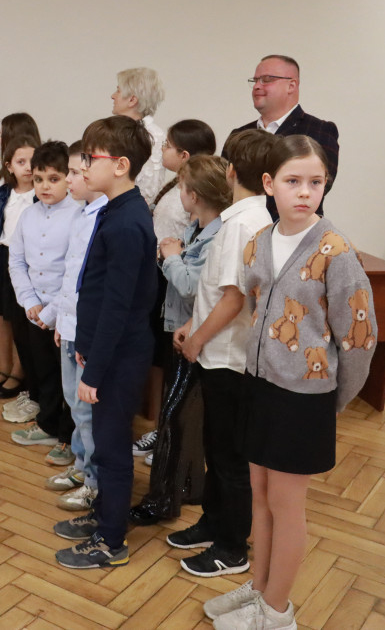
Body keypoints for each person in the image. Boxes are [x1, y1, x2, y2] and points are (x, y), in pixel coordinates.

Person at [205, 135, 375, 630]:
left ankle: (277, 611)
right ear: (268, 185)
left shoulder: (335, 249)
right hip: (261, 387)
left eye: (315, 182)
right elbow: (260, 309)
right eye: (292, 181)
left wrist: (328, 398)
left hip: (304, 398)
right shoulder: (260, 241)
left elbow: (360, 336)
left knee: (286, 504)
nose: (304, 192)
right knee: (259, 492)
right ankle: (259, 588)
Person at [168, 129, 277, 578]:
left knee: (229, 455)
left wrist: (196, 339)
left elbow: (234, 299)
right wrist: (195, 323)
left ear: (231, 170)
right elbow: (221, 291)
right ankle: (213, 522)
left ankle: (232, 546)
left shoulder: (239, 225)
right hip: (219, 348)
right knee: (216, 445)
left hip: (228, 358)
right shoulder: (247, 218)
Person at [53, 116, 156, 569]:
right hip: (104, 350)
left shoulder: (126, 221)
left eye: (90, 159)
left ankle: (111, 540)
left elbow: (121, 306)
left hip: (119, 358)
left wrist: (94, 369)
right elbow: (96, 291)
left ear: (120, 165)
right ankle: (104, 518)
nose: (83, 166)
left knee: (112, 449)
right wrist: (86, 345)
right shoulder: (114, 210)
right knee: (105, 444)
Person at [129, 155, 230, 526]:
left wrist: (171, 258)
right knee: (180, 419)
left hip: (193, 338)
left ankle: (163, 499)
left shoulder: (216, 235)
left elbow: (192, 288)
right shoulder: (198, 228)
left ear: (195, 194)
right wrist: (170, 255)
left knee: (174, 420)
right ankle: (188, 487)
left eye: (183, 188)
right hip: (180, 327)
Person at [139, 119, 218, 462]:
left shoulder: (193, 208)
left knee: (179, 377)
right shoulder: (174, 188)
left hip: (175, 287)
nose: (161, 149)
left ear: (184, 155)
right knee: (167, 367)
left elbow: (190, 278)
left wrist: (171, 256)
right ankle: (163, 429)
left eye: (167, 145)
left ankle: (171, 439)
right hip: (166, 280)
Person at [45, 141, 107, 512]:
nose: (70, 179)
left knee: (86, 410)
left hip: (85, 331)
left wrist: (76, 326)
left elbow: (93, 284)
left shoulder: (103, 216)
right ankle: (82, 466)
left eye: (74, 172)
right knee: (73, 403)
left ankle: (94, 480)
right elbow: (72, 277)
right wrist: (63, 320)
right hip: (70, 325)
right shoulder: (81, 214)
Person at [7, 141, 78, 466]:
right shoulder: (28, 214)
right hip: (34, 309)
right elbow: (17, 261)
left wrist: (50, 311)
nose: (45, 186)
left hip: (63, 312)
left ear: (68, 179)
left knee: (68, 381)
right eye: (38, 179)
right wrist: (29, 301)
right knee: (44, 372)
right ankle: (48, 424)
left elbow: (73, 271)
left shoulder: (78, 215)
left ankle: (68, 437)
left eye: (53, 179)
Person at [222, 55, 339, 218]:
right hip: (240, 230)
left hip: (296, 232)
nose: (257, 86)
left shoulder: (320, 130)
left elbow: (320, 185)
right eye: (255, 80)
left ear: (291, 85)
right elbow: (223, 185)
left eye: (266, 79)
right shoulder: (239, 134)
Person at [0, 112, 40, 399]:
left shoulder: (41, 194)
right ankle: (5, 368)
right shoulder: (4, 192)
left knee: (20, 317)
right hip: (4, 259)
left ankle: (20, 370)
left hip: (28, 262)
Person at [111, 67, 166, 205]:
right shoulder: (120, 132)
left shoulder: (151, 137)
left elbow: (146, 191)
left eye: (118, 90)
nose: (113, 96)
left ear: (132, 100)